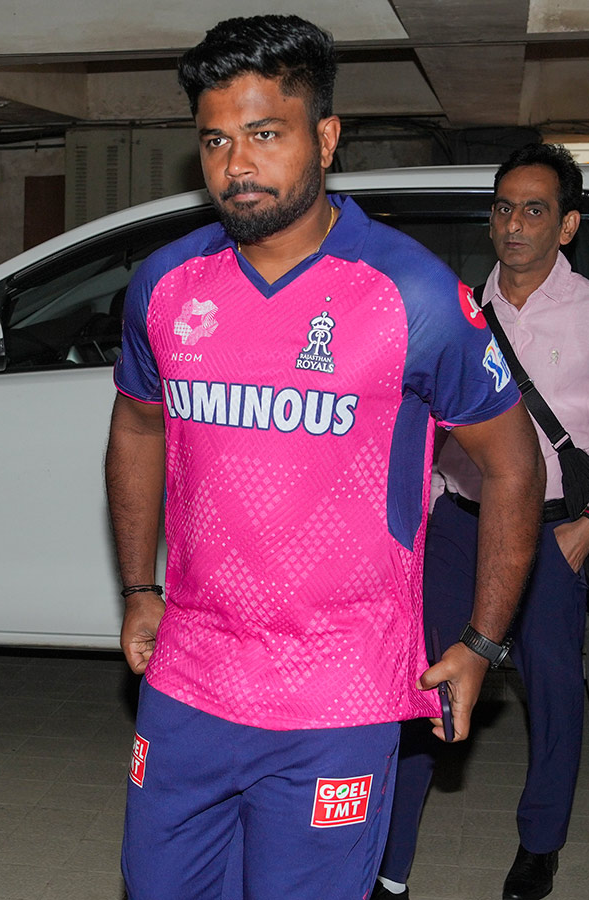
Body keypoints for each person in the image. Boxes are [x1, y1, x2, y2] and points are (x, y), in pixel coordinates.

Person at [105, 15, 544, 900]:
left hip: (336, 698)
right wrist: (140, 590)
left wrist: (482, 642)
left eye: (265, 134)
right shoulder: (166, 284)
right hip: (191, 679)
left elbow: (514, 464)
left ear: (326, 137)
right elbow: (138, 427)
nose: (237, 165)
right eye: (217, 140)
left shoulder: (410, 293)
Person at [373, 142, 589, 900]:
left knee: (555, 693)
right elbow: (422, 423)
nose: (514, 223)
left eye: (535, 209)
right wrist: (427, 509)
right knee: (424, 687)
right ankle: (389, 866)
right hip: (458, 527)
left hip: (555, 531)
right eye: (503, 208)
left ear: (566, 226)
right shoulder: (459, 310)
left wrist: (584, 531)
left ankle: (540, 846)